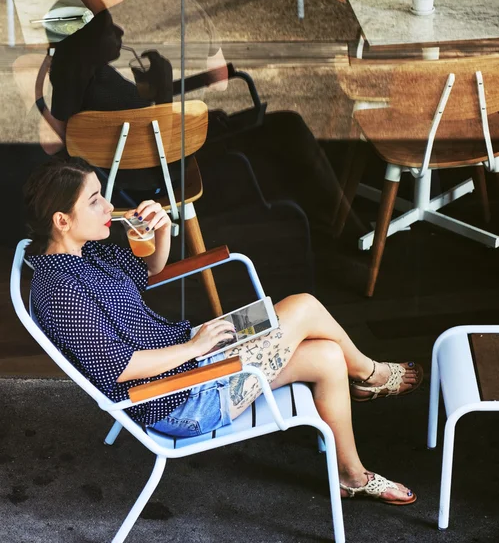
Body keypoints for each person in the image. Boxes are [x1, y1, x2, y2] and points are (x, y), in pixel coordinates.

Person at [24, 156, 424, 505]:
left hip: (194, 354)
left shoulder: (84, 251)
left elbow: (149, 270)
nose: (109, 206)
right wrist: (196, 346)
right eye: (95, 200)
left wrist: (162, 231)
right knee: (303, 306)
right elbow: (120, 368)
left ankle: (350, 477)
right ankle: (370, 375)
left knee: (327, 356)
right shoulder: (61, 292)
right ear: (62, 220)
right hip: (182, 398)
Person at [47, 0, 344, 242]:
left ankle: (327, 228)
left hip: (116, 176)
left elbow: (55, 141)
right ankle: (341, 232)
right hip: (180, 157)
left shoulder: (68, 36)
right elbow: (220, 81)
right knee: (287, 127)